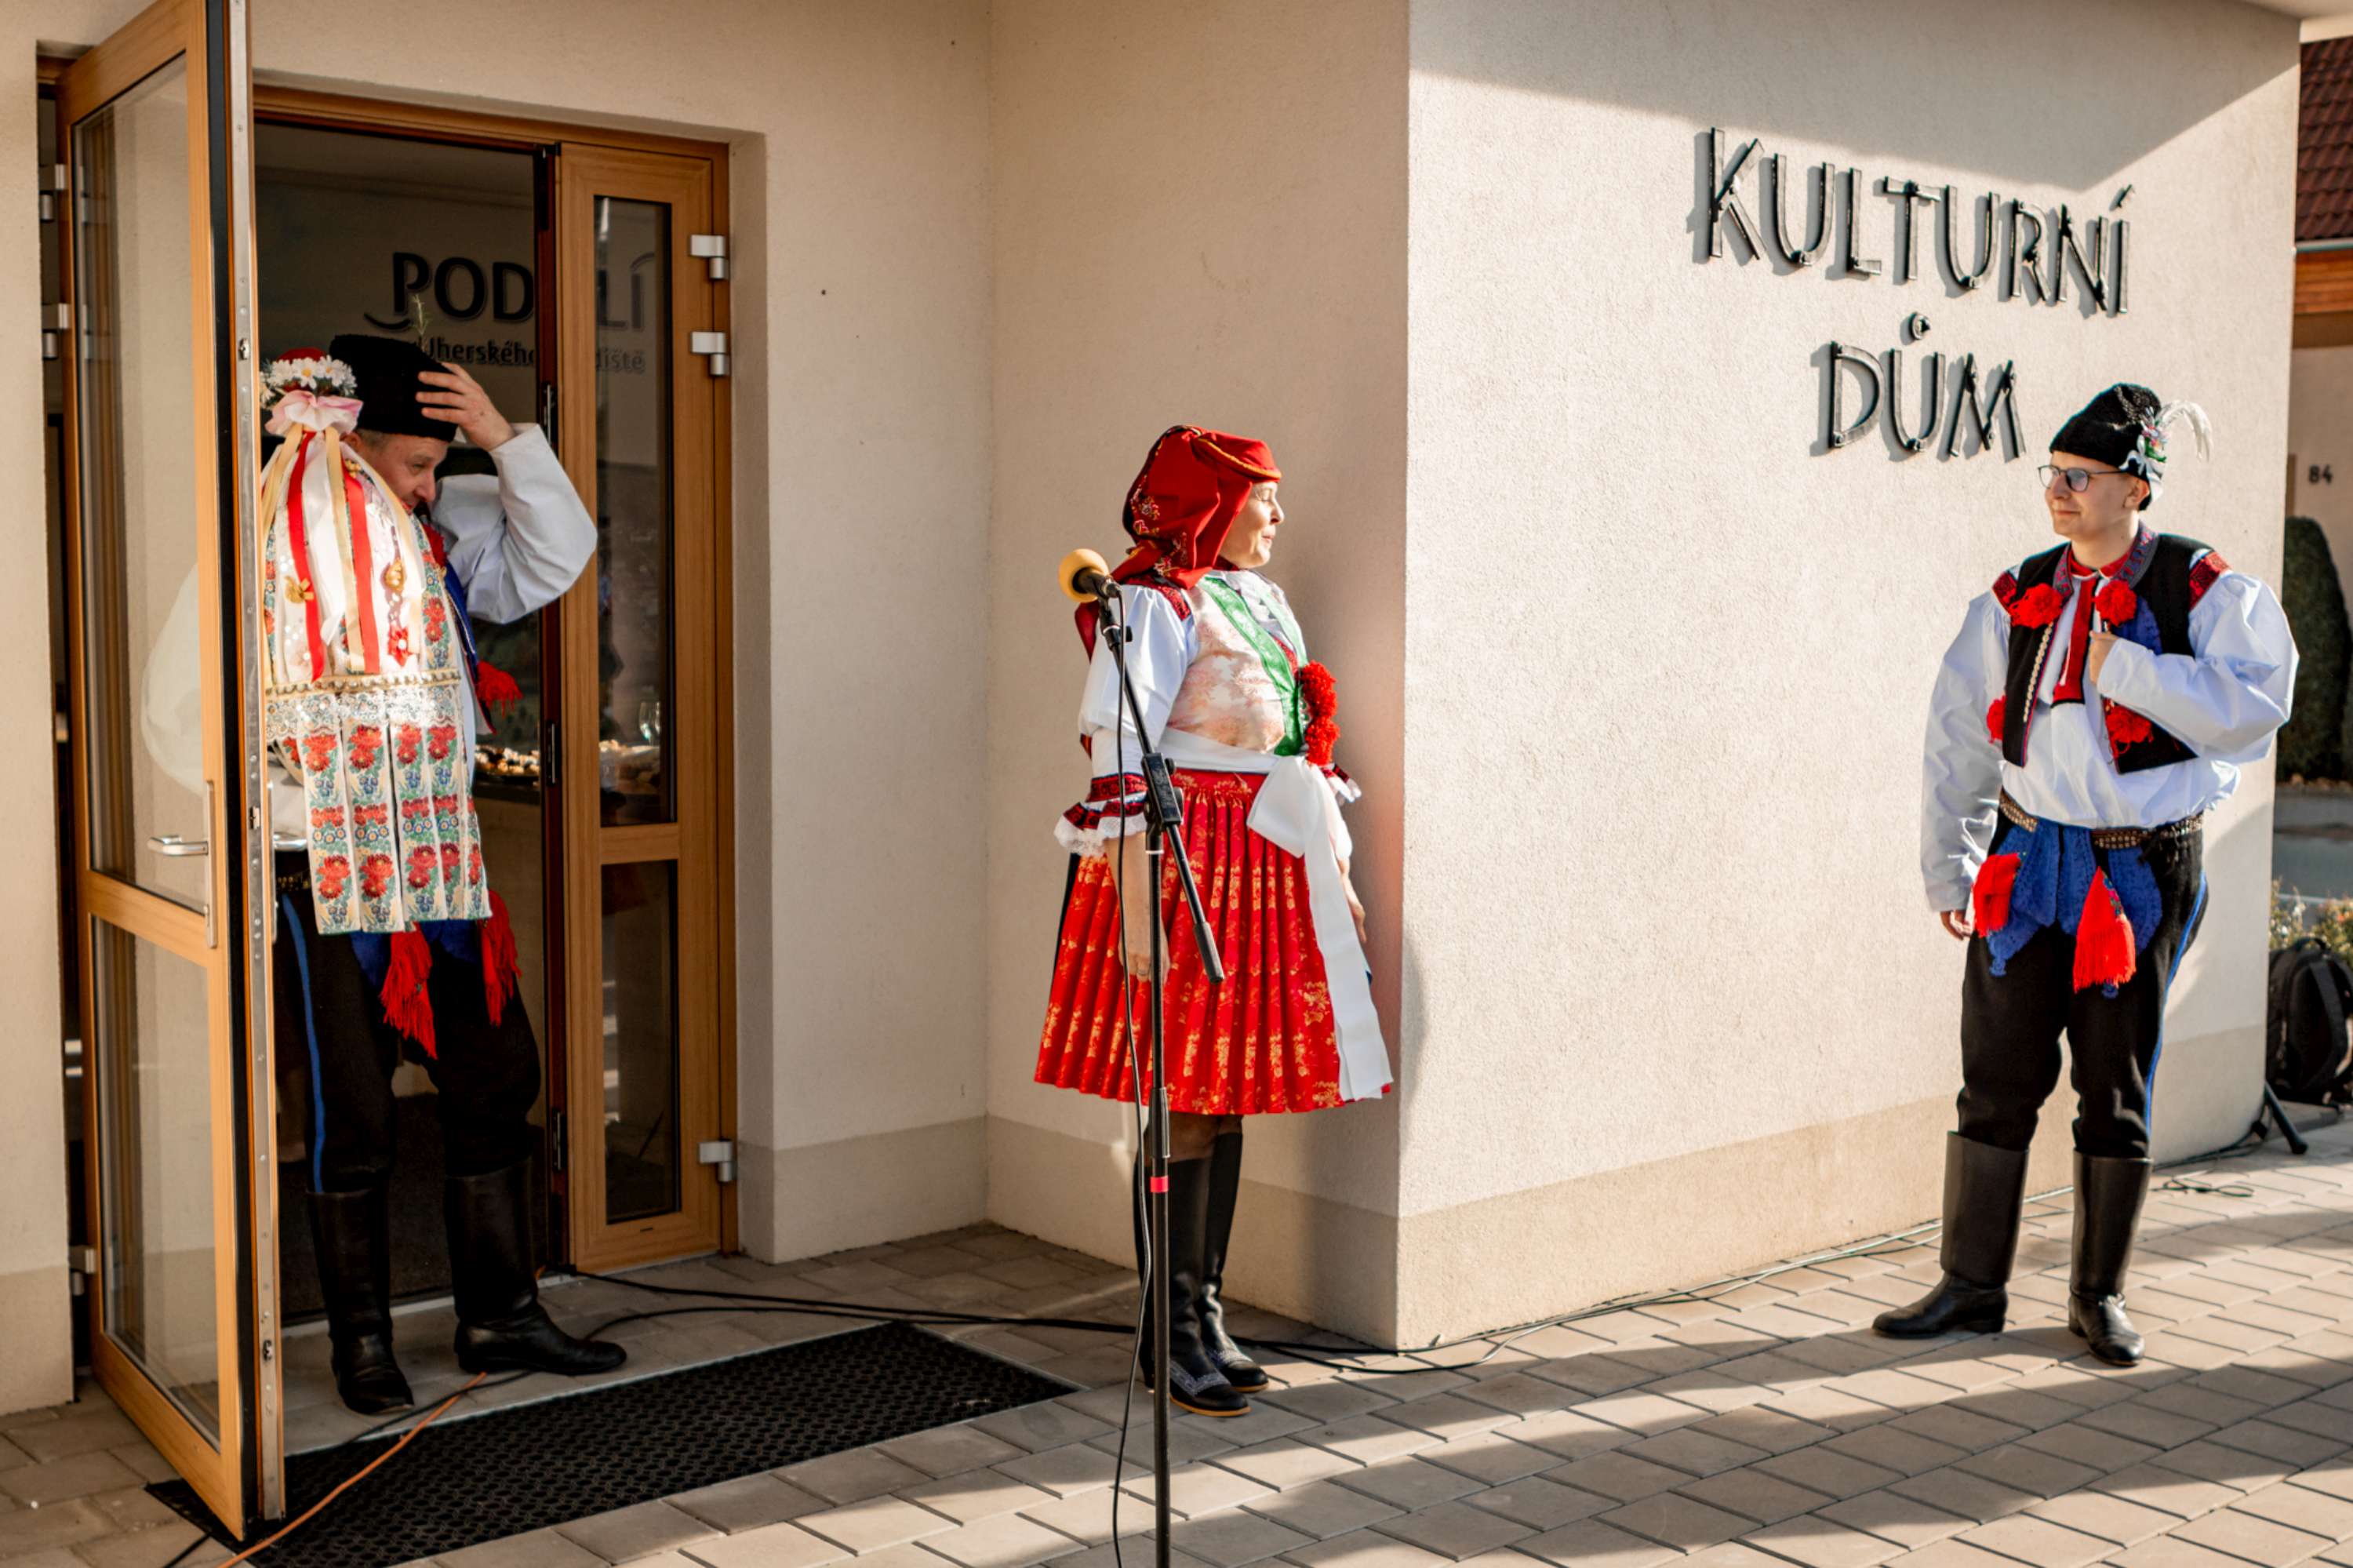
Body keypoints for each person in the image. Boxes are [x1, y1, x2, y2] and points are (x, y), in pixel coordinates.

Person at [1888, 384, 2296, 1366]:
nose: (2059, 491)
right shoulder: (2019, 593)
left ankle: (2097, 1295)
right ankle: (1970, 1287)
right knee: (1995, 1074)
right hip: (2027, 858)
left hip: (2136, 867)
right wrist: (1952, 864)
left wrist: (2133, 670)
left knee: (2114, 1083)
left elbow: (2261, 702)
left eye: (2080, 476)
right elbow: (1958, 733)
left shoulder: (2201, 587)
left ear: (2134, 488)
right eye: (2055, 474)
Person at [264, 335, 621, 1413]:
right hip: (324, 865)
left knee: (498, 1072)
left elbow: (558, 555)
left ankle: (499, 1312)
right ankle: (361, 1342)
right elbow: (184, 718)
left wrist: (501, 437)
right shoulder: (267, 547)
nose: (430, 485)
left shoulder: (435, 534)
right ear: (348, 446)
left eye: (436, 466)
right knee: (355, 1112)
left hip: (436, 855)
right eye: (416, 463)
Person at [1034, 427, 1391, 1416]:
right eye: (1264, 498)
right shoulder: (1151, 603)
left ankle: (1207, 1315)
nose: (1278, 515)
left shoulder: (1261, 599)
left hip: (1259, 860)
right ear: (1215, 505)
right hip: (1184, 855)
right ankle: (1169, 1333)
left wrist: (1335, 872)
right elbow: (1123, 752)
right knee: (1185, 1092)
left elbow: (1299, 748)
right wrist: (1139, 910)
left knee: (1224, 1091)